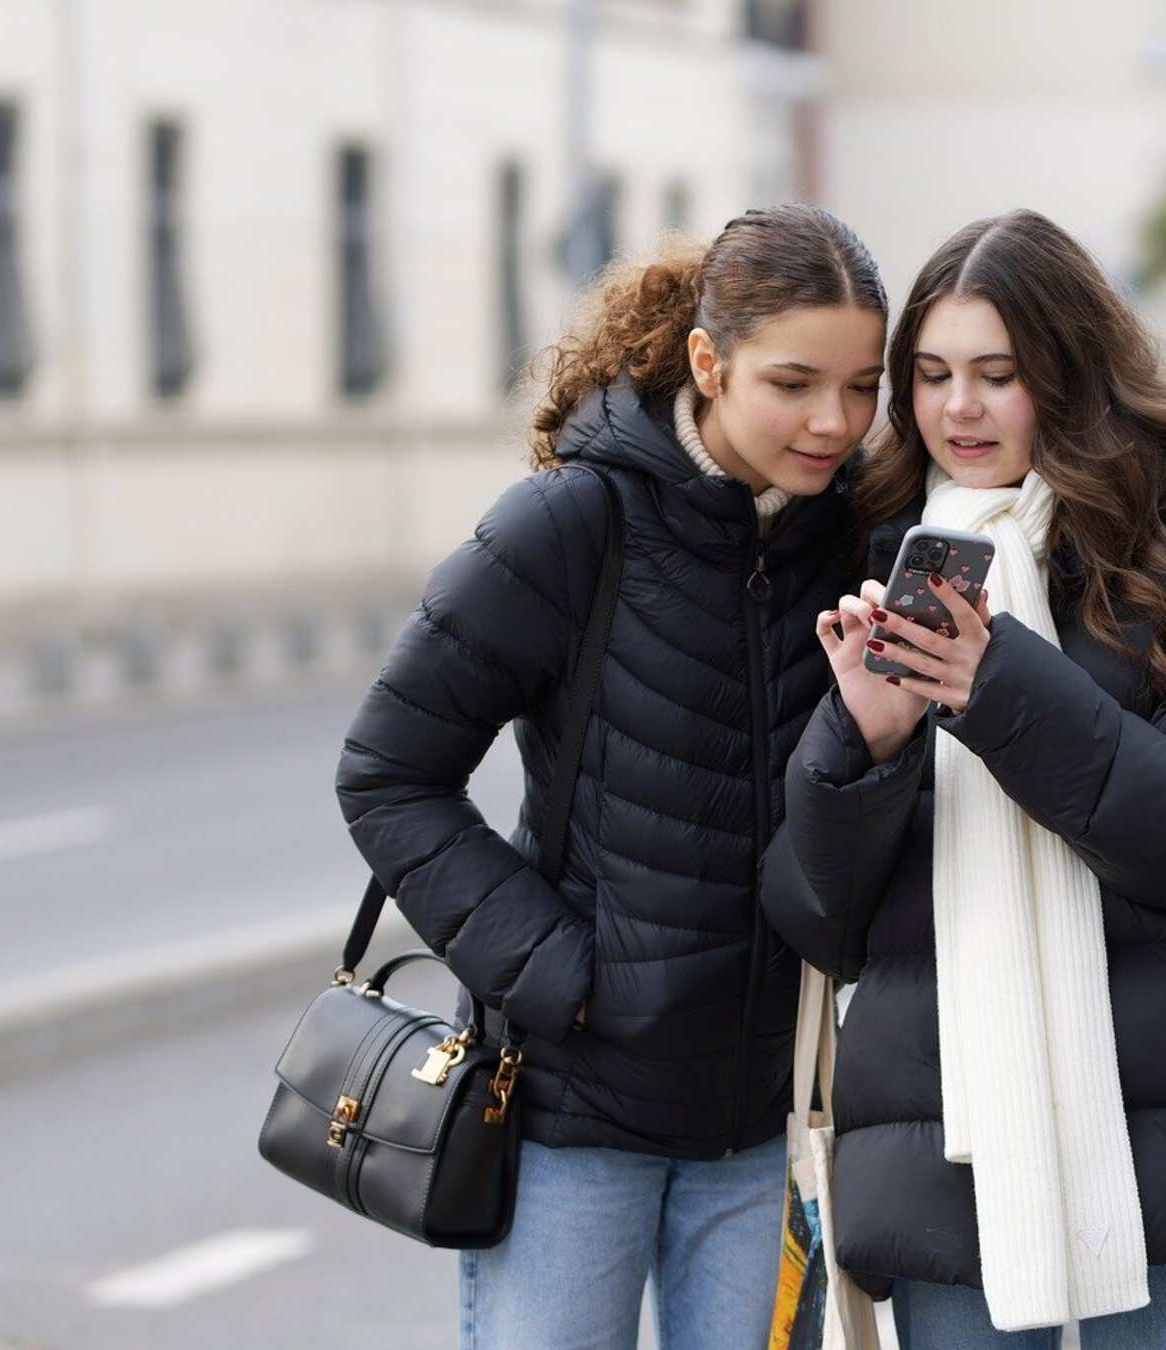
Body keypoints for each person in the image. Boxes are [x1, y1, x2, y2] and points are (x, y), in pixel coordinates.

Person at [761, 209, 1166, 1350]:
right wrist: (865, 746)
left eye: (998, 374)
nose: (958, 410)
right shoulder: (870, 562)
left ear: (1072, 378)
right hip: (950, 1145)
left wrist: (998, 688)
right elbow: (818, 914)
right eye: (929, 376)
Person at [335, 203, 888, 1350]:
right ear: (707, 360)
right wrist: (559, 973)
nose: (834, 422)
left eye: (863, 387)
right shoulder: (574, 519)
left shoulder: (855, 542)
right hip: (568, 1120)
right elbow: (387, 771)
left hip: (764, 1126)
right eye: (793, 383)